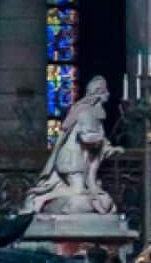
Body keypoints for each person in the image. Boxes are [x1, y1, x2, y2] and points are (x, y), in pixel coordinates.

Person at [22, 76, 123, 214]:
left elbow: (97, 135)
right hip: (72, 158)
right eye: (105, 91)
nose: (108, 94)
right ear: (98, 93)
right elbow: (86, 136)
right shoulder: (85, 111)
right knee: (78, 190)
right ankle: (40, 199)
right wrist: (100, 141)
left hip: (79, 158)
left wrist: (109, 148)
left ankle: (43, 199)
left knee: (78, 190)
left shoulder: (91, 111)